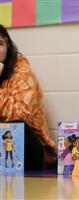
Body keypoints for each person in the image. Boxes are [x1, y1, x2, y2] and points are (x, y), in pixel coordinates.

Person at [0, 24, 56, 170]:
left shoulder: (21, 71)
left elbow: (17, 115)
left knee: (18, 126)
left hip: (28, 146)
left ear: (8, 47)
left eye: (0, 44)